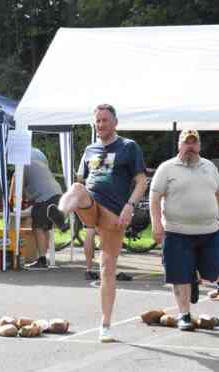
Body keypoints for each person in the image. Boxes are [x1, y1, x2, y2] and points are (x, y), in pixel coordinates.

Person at [56, 104, 147, 342]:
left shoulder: (128, 147)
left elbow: (141, 181)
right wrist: (77, 200)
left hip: (113, 214)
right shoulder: (89, 149)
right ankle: (59, 215)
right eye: (97, 121)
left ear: (115, 122)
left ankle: (105, 324)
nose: (100, 125)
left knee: (107, 269)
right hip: (90, 204)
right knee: (76, 188)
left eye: (105, 120)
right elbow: (81, 180)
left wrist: (130, 205)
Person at [150, 129, 219, 331]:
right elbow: (154, 199)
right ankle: (184, 315)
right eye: (186, 143)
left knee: (214, 270)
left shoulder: (209, 167)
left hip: (209, 231)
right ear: (180, 145)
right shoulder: (167, 168)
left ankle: (194, 276)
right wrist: (156, 225)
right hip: (176, 232)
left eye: (193, 143)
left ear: (199, 146)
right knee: (179, 275)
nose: (190, 147)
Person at [18, 148, 66, 269]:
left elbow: (19, 185)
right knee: (46, 228)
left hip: (44, 197)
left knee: (38, 227)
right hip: (57, 193)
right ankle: (45, 257)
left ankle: (42, 259)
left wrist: (20, 200)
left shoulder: (22, 166)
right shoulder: (40, 161)